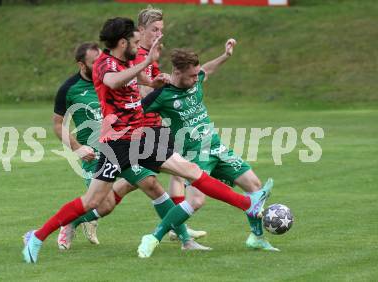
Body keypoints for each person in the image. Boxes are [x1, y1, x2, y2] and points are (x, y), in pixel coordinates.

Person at [22, 17, 271, 264]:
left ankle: (246, 205)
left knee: (189, 171)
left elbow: (137, 83)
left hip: (140, 137)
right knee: (94, 201)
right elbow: (113, 81)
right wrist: (146, 63)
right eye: (135, 41)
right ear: (122, 42)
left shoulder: (126, 61)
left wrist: (154, 81)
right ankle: (38, 236)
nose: (137, 45)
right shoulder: (104, 64)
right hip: (118, 143)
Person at [51, 43, 209, 251]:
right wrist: (78, 148)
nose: (100, 64)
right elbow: (57, 124)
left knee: (152, 185)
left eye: (101, 59)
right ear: (81, 65)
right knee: (104, 205)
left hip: (125, 146)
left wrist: (155, 84)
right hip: (96, 154)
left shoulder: (114, 77)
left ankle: (185, 240)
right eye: (93, 62)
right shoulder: (69, 89)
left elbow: (140, 93)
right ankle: (71, 222)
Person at [138, 44, 279, 258]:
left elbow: (208, 70)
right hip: (195, 155)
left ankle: (257, 238)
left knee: (254, 185)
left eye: (197, 75)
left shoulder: (196, 79)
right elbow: (135, 110)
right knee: (195, 201)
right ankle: (153, 237)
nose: (197, 79)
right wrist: (149, 88)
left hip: (216, 148)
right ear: (177, 72)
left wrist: (225, 55)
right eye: (192, 75)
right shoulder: (162, 94)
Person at [134, 6, 206, 240]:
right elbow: (141, 96)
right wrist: (159, 85)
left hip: (156, 125)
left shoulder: (150, 55)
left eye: (161, 30)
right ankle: (79, 219)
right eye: (154, 30)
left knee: (177, 173)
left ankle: (179, 226)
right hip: (142, 128)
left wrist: (161, 80)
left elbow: (150, 87)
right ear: (141, 29)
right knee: (131, 184)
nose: (159, 34)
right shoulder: (137, 57)